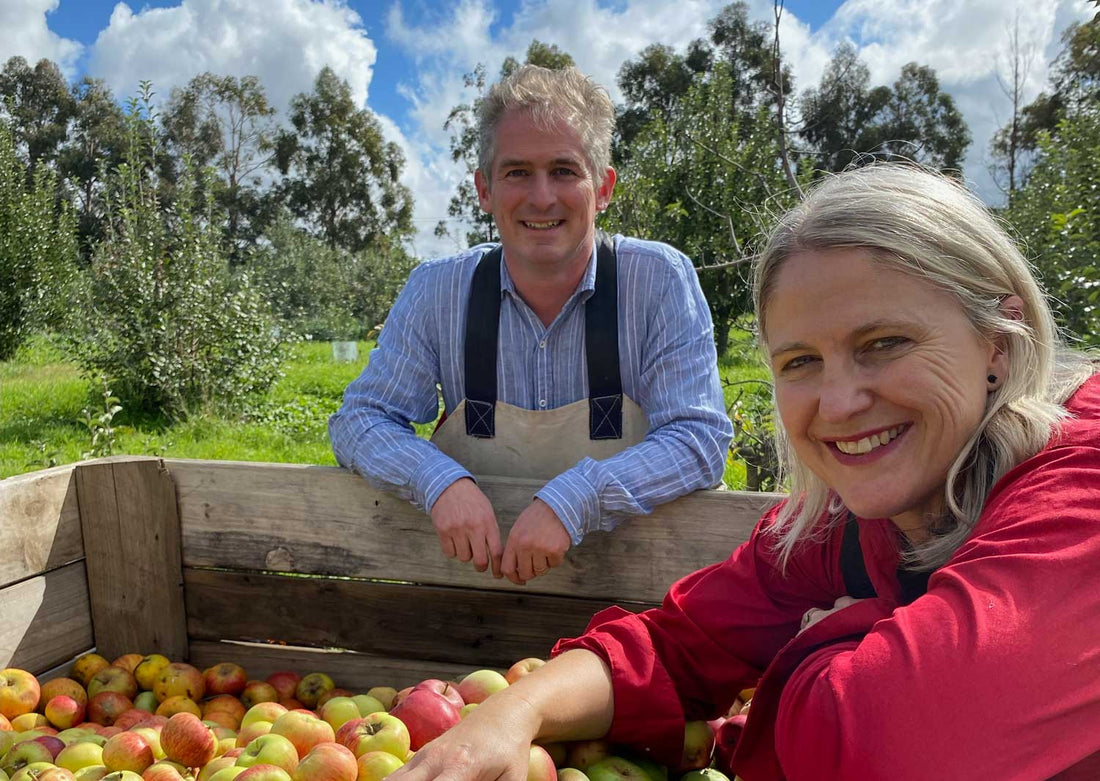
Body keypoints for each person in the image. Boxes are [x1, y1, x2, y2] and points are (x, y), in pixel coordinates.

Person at [383, 164, 1100, 781]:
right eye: (801, 362)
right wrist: (516, 710)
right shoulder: (852, 520)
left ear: (1000, 341)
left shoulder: (1078, 495)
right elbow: (677, 643)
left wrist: (809, 661)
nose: (841, 402)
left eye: (884, 343)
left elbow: (887, 747)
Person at [329, 65, 732, 586]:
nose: (542, 197)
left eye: (564, 170)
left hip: (629, 598)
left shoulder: (657, 281)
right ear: (485, 190)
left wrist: (578, 497)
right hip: (473, 594)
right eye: (517, 172)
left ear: (603, 187)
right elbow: (361, 420)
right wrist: (437, 479)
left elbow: (699, 438)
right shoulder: (436, 291)